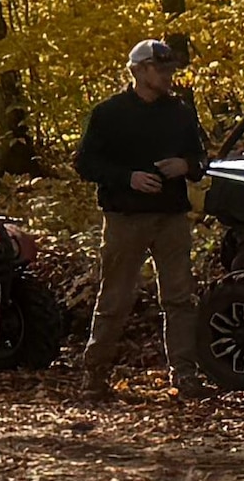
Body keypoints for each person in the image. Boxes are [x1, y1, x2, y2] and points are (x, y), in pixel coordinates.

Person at [75, 34, 212, 395]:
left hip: (171, 217)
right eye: (160, 69)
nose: (168, 76)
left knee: (180, 298)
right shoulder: (108, 114)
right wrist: (128, 178)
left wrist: (186, 164)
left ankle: (185, 375)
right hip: (124, 218)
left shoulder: (181, 112)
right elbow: (85, 164)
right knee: (115, 298)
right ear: (138, 71)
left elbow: (201, 160)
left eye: (170, 69)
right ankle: (96, 374)